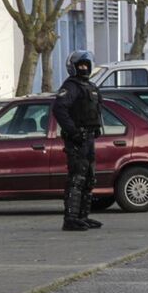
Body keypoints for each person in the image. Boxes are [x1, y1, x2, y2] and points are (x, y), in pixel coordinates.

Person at [52, 50, 103, 231]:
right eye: (80, 65)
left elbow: (96, 110)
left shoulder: (90, 86)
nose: (83, 68)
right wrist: (73, 132)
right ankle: (71, 218)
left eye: (85, 65)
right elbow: (60, 110)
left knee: (89, 177)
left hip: (89, 138)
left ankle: (83, 216)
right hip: (77, 140)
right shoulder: (71, 87)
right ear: (73, 67)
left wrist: (96, 128)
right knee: (77, 177)